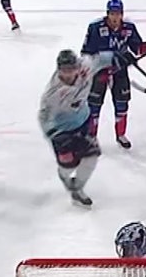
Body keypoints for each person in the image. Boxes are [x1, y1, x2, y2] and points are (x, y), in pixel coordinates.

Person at [80, 0, 146, 148]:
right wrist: (109, 59)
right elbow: (86, 55)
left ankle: (121, 135)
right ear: (108, 13)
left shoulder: (128, 28)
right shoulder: (95, 28)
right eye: (112, 14)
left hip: (119, 72)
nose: (115, 17)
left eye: (118, 14)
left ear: (122, 14)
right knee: (94, 106)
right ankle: (91, 138)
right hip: (99, 72)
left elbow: (138, 48)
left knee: (122, 104)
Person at [38, 48, 122, 207]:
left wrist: (121, 58)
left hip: (83, 122)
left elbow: (104, 58)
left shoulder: (86, 66)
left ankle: (77, 189)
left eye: (72, 69)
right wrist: (52, 134)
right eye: (64, 70)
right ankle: (64, 175)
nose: (68, 74)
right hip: (61, 130)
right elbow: (43, 116)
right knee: (68, 165)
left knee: (92, 156)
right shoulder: (53, 93)